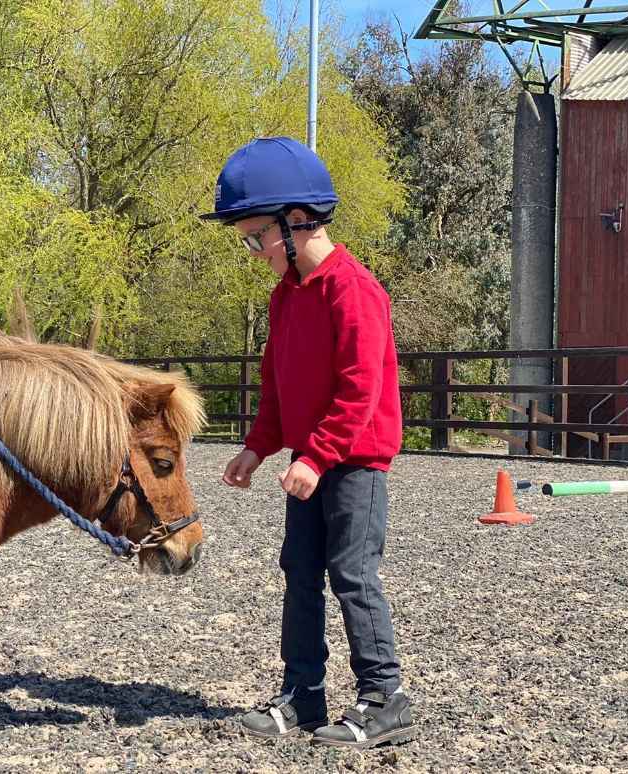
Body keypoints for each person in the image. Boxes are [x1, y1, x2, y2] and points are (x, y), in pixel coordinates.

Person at [203, 137, 414, 749]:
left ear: (296, 223)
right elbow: (277, 381)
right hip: (312, 463)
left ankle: (385, 697)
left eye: (254, 237)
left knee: (352, 573)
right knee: (300, 571)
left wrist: (318, 456)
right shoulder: (286, 295)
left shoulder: (354, 291)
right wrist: (258, 445)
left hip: (355, 462)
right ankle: (303, 695)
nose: (252, 251)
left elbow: (360, 388)